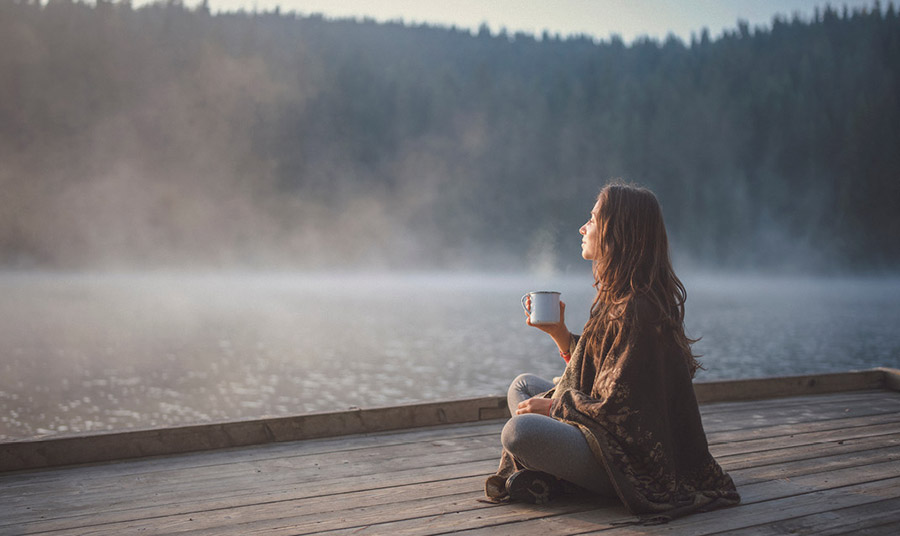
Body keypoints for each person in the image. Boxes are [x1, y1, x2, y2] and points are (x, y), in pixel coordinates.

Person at [484, 182, 740, 523]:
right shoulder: (620, 296)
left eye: (592, 219)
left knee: (520, 432)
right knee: (523, 386)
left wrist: (556, 406)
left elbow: (621, 410)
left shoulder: (638, 307)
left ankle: (565, 477)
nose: (583, 227)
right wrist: (560, 334)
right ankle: (554, 470)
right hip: (604, 432)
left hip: (632, 462)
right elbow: (602, 371)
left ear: (617, 231)